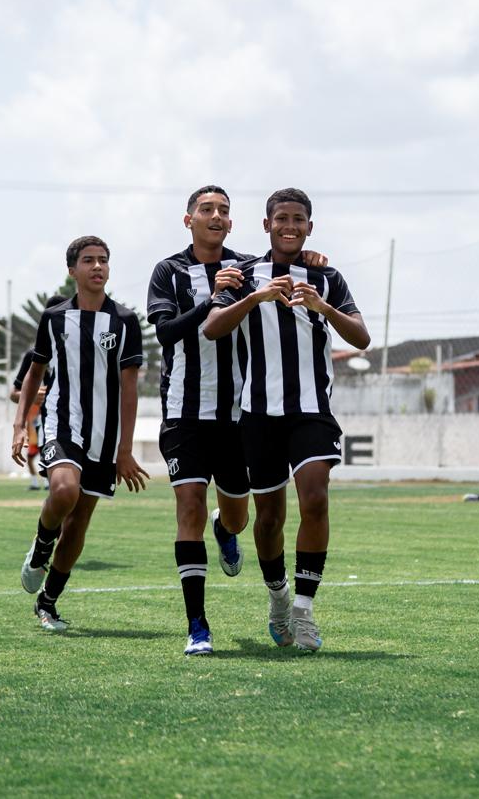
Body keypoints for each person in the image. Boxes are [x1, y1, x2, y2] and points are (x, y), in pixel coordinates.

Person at [147, 185, 331, 656]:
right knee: (186, 508)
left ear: (232, 222)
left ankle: (225, 530)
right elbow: (166, 332)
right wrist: (210, 299)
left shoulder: (249, 269)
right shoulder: (169, 271)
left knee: (239, 516)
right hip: (185, 411)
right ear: (188, 219)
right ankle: (198, 626)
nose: (216, 216)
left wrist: (306, 256)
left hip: (240, 415)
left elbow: (282, 263)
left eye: (224, 211)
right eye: (206, 209)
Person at [204, 187, 370, 653]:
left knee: (315, 498)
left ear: (310, 227)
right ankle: (277, 599)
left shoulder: (327, 275)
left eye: (299, 218)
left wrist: (323, 307)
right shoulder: (243, 275)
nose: (290, 225)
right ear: (267, 225)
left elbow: (361, 338)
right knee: (270, 517)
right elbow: (213, 328)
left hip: (312, 411)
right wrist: (255, 298)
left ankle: (303, 609)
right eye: (282, 218)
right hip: (257, 415)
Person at [11, 237, 149, 631]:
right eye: (88, 260)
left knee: (78, 523)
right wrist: (20, 425)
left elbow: (129, 387)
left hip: (104, 439)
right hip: (62, 423)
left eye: (103, 260)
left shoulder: (124, 320)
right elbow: (34, 373)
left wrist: (124, 449)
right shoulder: (54, 318)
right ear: (72, 270)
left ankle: (48, 601)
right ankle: (40, 550)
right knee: (64, 491)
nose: (97, 267)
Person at [9, 295, 67, 491]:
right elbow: (14, 393)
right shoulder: (35, 355)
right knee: (59, 488)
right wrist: (33, 396)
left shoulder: (80, 350)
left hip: (83, 423)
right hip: (50, 424)